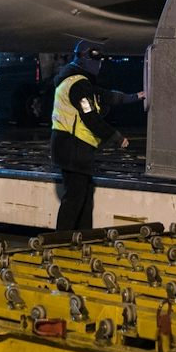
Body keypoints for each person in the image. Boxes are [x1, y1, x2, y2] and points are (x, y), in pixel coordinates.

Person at [48, 41, 140, 232]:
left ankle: (82, 240)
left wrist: (138, 96)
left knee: (84, 198)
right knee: (74, 200)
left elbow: (107, 96)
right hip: (72, 148)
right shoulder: (78, 84)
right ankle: (60, 242)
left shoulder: (80, 81)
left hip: (75, 149)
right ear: (83, 58)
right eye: (95, 59)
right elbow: (90, 118)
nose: (98, 64)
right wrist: (116, 137)